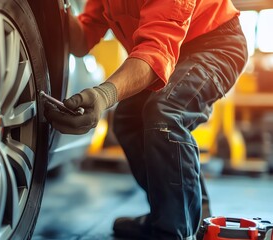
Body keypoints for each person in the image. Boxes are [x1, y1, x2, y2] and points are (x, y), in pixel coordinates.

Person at [44, 0, 248, 239]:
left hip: (215, 45)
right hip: (170, 52)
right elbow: (81, 41)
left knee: (167, 114)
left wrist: (104, 94)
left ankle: (174, 231)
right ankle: (176, 215)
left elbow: (156, 52)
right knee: (128, 120)